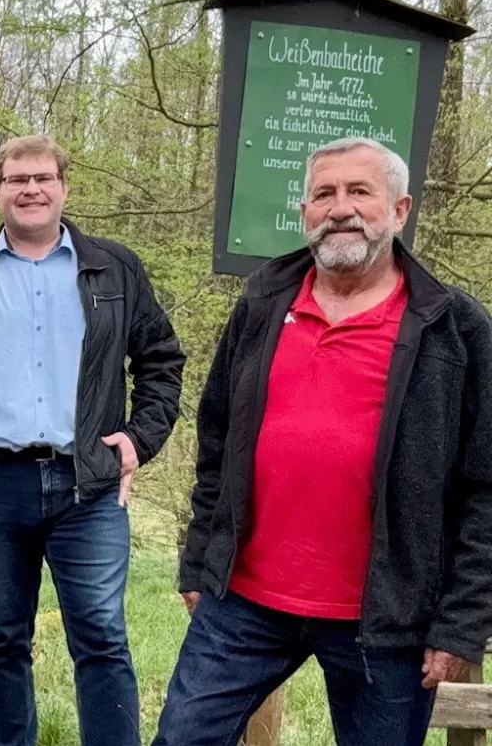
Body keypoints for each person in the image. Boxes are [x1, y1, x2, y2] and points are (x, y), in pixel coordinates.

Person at [156, 137, 492, 746]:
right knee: (181, 737)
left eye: (360, 191)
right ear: (305, 211)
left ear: (399, 209)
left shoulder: (454, 327)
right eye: (323, 194)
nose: (340, 208)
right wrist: (201, 557)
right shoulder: (261, 302)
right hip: (245, 600)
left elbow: (486, 486)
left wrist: (461, 621)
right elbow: (217, 441)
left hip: (386, 619)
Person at [0, 134, 184, 746]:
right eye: (17, 179)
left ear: (65, 187)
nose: (31, 189)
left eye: (43, 178)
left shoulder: (115, 268)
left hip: (87, 482)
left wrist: (138, 440)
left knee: (99, 635)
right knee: (3, 636)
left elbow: (162, 362)